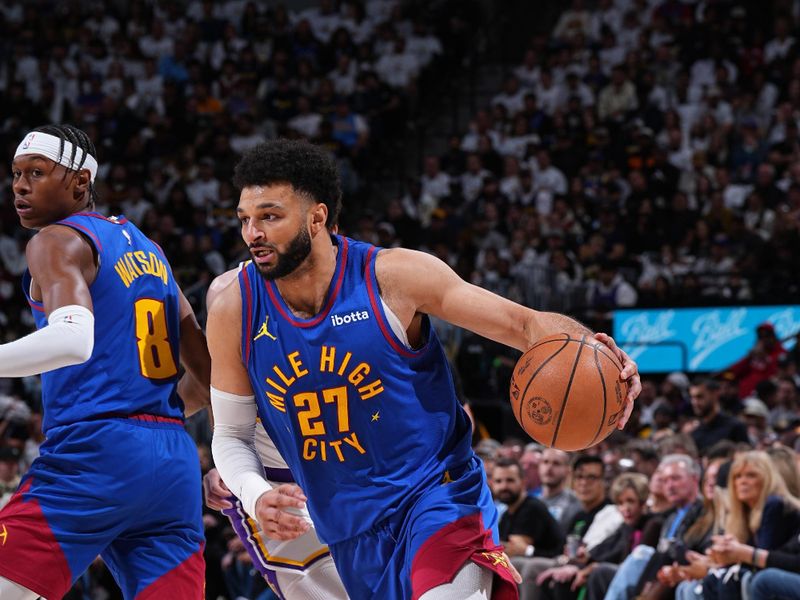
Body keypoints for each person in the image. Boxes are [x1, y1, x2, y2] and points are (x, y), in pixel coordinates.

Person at [207, 139, 640, 599]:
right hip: (348, 528)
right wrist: (254, 494)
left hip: (436, 496)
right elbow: (231, 435)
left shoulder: (393, 277)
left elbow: (526, 325)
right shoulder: (235, 306)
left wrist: (595, 349)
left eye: (270, 216)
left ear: (316, 217)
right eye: (245, 219)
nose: (253, 232)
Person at [0, 124, 209, 599]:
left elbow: (73, 340)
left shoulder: (55, 240)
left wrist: (123, 432)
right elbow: (211, 374)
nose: (19, 185)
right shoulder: (149, 249)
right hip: (173, 462)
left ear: (79, 182)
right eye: (15, 173)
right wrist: (154, 420)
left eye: (36, 172)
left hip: (96, 452)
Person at [203, 267, 348, 599]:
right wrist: (230, 473)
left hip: (350, 478)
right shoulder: (225, 356)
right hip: (278, 488)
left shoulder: (338, 334)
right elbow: (229, 434)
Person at [492, 457, 564, 560]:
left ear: (523, 482)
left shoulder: (532, 508)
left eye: (510, 480)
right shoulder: (506, 515)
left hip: (552, 563)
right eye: (498, 481)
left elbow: (514, 550)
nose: (504, 486)